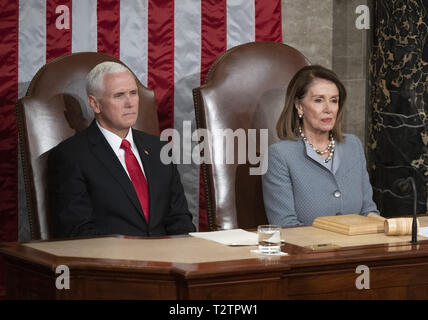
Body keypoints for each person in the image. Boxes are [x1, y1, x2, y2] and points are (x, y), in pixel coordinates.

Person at [48, 61, 196, 238]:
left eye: (133, 93)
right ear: (94, 104)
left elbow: (179, 220)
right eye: (119, 95)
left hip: (166, 261)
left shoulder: (160, 148)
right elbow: (79, 231)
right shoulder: (71, 156)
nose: (130, 103)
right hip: (113, 263)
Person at [262, 65, 379, 227]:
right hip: (310, 250)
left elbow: (368, 210)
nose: (328, 109)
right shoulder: (279, 155)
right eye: (318, 100)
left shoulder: (353, 145)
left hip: (358, 247)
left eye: (334, 101)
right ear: (299, 106)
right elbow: (285, 225)